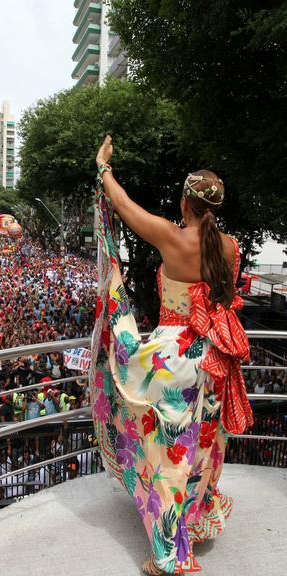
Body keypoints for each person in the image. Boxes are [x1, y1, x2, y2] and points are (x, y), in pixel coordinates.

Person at [90, 136, 253, 575]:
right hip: (214, 359)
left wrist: (104, 168)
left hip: (173, 357)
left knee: (167, 454)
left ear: (185, 202)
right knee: (199, 447)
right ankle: (193, 522)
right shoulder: (231, 247)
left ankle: (169, 554)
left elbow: (124, 206)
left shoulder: (170, 235)